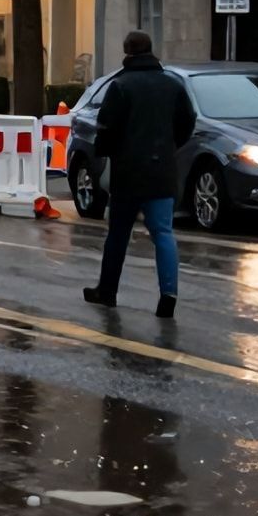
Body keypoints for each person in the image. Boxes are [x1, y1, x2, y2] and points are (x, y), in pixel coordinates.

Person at [86, 30, 196, 319]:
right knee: (163, 233)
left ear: (127, 51)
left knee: (119, 234)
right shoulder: (172, 86)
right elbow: (188, 121)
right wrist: (171, 145)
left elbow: (106, 127)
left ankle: (107, 292)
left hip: (128, 173)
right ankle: (168, 296)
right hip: (161, 172)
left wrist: (106, 152)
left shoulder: (121, 86)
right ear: (151, 50)